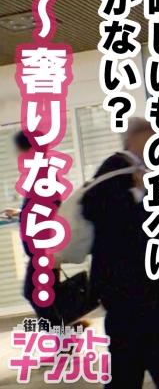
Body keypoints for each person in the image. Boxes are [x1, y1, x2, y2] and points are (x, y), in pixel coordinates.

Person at [82, 118, 159, 388]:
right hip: (129, 292)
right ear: (137, 139)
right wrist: (140, 194)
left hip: (133, 294)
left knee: (130, 372)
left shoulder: (132, 169)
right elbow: (98, 211)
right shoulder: (115, 168)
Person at [10, 130, 64, 328]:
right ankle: (64, 337)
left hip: (43, 249)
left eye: (19, 150)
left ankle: (63, 337)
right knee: (46, 297)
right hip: (42, 248)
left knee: (36, 294)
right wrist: (20, 212)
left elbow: (51, 208)